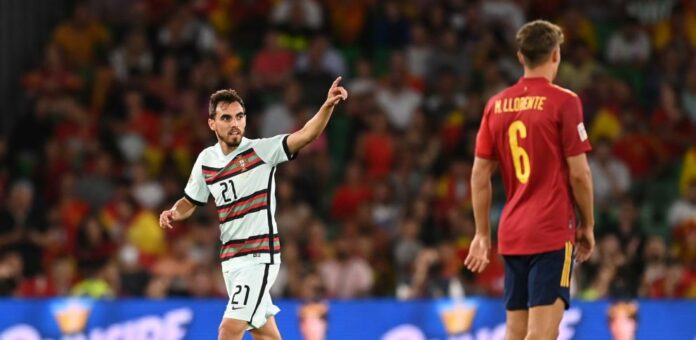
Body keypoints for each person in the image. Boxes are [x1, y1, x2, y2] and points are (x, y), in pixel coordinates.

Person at [159, 78, 348, 340]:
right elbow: (190, 201)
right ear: (212, 123)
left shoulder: (261, 151)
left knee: (229, 329)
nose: (235, 123)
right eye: (226, 118)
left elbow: (307, 134)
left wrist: (327, 106)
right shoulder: (206, 160)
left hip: (259, 257)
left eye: (239, 116)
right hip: (231, 261)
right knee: (266, 334)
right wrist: (173, 212)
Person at [464, 20, 595, 340]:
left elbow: (480, 174)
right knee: (540, 335)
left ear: (520, 57)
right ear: (555, 55)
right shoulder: (564, 101)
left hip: (513, 232)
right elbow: (580, 173)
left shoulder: (496, 105)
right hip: (550, 231)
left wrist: (482, 233)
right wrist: (588, 225)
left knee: (517, 333)